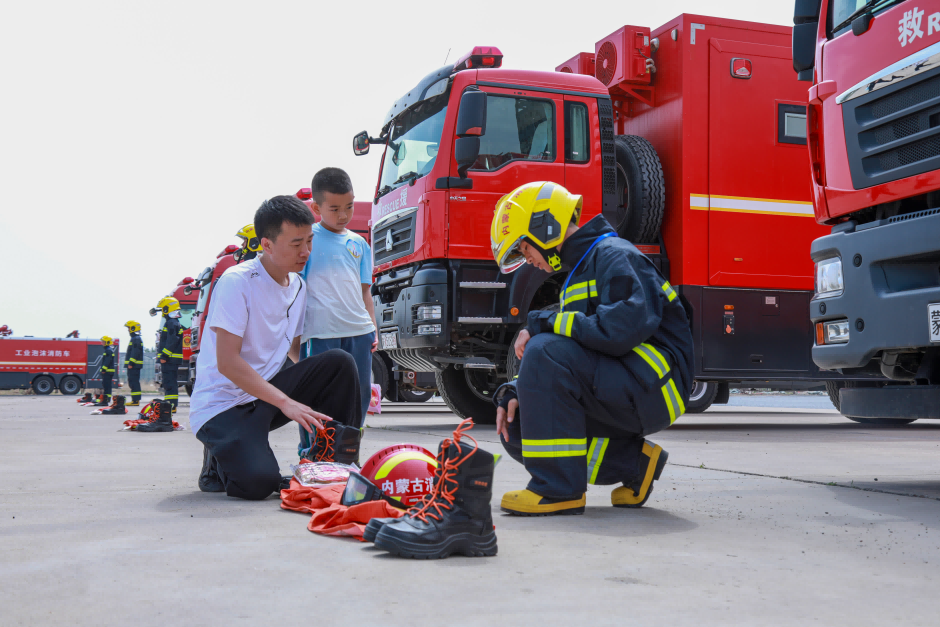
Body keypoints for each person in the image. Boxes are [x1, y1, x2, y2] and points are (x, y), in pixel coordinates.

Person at [490, 181, 694, 516]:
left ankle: (557, 491)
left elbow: (621, 330)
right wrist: (516, 391)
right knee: (517, 426)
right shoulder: (579, 272)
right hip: (628, 382)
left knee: (542, 348)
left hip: (657, 384)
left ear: (545, 228)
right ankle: (635, 465)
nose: (529, 260)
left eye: (526, 250)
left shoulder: (614, 254)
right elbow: (577, 352)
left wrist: (544, 322)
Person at [189, 195, 363, 501]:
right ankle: (217, 458)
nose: (306, 252)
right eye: (296, 244)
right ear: (266, 245)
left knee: (339, 363)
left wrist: (314, 389)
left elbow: (292, 350)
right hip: (224, 406)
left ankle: (333, 460)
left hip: (262, 396)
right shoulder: (237, 282)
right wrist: (286, 402)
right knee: (258, 483)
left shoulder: (297, 286)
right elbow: (227, 363)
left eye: (309, 241)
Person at [296, 167, 376, 458]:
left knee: (360, 396)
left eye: (350, 206)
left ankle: (346, 452)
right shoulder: (307, 240)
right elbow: (296, 289)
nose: (344, 215)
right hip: (320, 333)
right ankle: (312, 453)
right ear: (317, 208)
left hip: (359, 331)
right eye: (335, 209)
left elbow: (365, 290)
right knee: (318, 395)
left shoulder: (359, 243)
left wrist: (373, 327)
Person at [154, 297, 184, 413]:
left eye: (163, 310)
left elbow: (172, 341)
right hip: (171, 360)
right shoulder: (174, 322)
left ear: (167, 309)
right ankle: (170, 405)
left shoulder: (171, 323)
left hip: (169, 360)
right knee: (169, 382)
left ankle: (171, 406)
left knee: (169, 383)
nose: (162, 312)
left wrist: (164, 356)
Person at [123, 320, 144, 406]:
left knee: (134, 382)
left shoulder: (136, 339)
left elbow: (135, 352)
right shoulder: (135, 338)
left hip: (134, 366)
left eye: (129, 328)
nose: (128, 330)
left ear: (132, 328)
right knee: (133, 382)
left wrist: (131, 363)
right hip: (134, 366)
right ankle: (135, 400)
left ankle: (135, 401)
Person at [97, 336, 116, 405]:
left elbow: (107, 361)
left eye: (103, 342)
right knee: (106, 386)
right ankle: (106, 399)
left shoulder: (108, 350)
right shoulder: (108, 350)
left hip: (107, 372)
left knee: (107, 386)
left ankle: (106, 400)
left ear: (107, 342)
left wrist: (104, 369)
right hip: (108, 372)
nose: (102, 343)